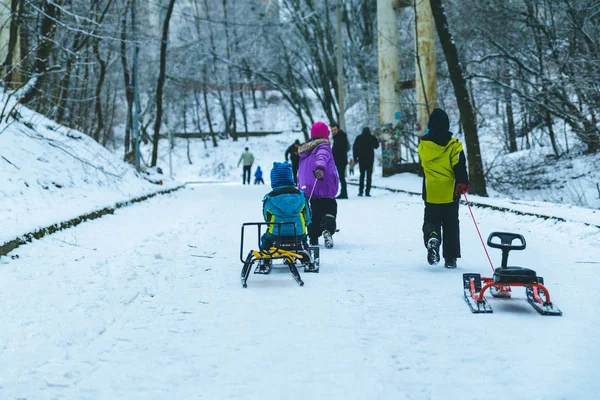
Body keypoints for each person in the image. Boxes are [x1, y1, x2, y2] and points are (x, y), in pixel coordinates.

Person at [418, 108, 470, 269]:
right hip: (450, 192)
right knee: (451, 224)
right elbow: (459, 166)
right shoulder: (454, 146)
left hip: (431, 191)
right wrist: (462, 182)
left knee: (431, 221)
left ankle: (433, 237)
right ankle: (450, 258)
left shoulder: (424, 145)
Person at [297, 121, 339, 249]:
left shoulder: (307, 149)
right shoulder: (323, 146)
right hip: (323, 183)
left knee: (315, 213)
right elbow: (322, 157)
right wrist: (320, 168)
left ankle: (313, 237)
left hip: (311, 187)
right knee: (330, 208)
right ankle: (327, 229)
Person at [260, 162, 311, 251]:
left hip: (276, 234)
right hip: (298, 233)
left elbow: (266, 217)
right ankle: (304, 251)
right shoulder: (301, 196)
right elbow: (307, 216)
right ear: (290, 178)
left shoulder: (269, 198)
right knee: (303, 238)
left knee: (265, 239)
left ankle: (266, 256)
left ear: (274, 180)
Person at [353, 127, 379, 197]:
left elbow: (355, 148)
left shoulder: (359, 138)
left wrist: (355, 158)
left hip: (361, 159)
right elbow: (377, 146)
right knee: (369, 176)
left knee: (362, 175)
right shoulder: (372, 137)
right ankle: (367, 192)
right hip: (370, 159)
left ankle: (360, 191)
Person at [330, 123, 350, 199]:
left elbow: (341, 148)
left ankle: (344, 193)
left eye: (335, 130)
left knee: (341, 177)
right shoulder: (336, 137)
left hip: (341, 160)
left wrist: (333, 153)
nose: (334, 132)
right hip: (339, 160)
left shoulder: (341, 136)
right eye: (332, 130)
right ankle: (343, 192)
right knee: (341, 177)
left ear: (338, 129)